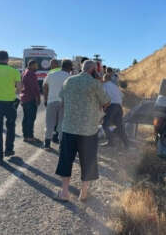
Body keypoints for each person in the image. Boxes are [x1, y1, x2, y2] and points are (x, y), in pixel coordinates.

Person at [54, 60, 110, 202]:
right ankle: (83, 193)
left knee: (66, 160)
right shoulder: (95, 83)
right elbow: (106, 102)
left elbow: (62, 101)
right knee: (88, 161)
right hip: (88, 130)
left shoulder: (69, 81)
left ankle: (65, 192)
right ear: (93, 70)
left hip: (69, 128)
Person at [43, 59, 72, 149]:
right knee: (62, 124)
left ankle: (47, 143)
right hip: (64, 102)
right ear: (70, 67)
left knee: (50, 123)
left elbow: (45, 86)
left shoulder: (51, 75)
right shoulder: (71, 77)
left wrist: (45, 99)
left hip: (51, 101)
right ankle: (61, 144)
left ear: (61, 65)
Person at [102, 74, 128, 147]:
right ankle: (126, 144)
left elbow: (102, 96)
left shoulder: (105, 85)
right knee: (119, 126)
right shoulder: (115, 86)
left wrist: (103, 107)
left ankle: (111, 142)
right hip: (119, 107)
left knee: (105, 125)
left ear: (105, 79)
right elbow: (122, 96)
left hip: (111, 106)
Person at [21, 60, 41, 143]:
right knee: (31, 118)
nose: (37, 67)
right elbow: (34, 88)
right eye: (36, 65)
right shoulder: (31, 74)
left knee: (26, 118)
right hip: (30, 99)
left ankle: (26, 136)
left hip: (24, 98)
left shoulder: (25, 72)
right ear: (32, 65)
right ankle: (30, 137)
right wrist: (38, 98)